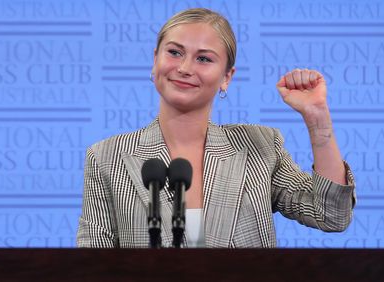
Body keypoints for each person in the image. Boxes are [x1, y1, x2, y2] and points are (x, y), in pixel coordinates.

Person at [77, 8, 355, 248]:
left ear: (226, 77)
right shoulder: (107, 157)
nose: (185, 68)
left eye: (203, 59)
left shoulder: (259, 146)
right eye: (174, 52)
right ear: (155, 60)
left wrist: (317, 117)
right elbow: (93, 263)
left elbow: (331, 214)